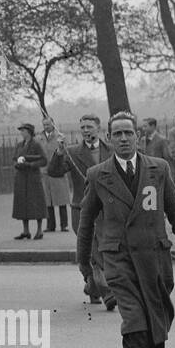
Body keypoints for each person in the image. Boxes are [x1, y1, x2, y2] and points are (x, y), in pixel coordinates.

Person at [75, 111, 175, 348]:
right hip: (118, 259)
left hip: (154, 258)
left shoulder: (159, 169)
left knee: (157, 318)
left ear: (138, 137)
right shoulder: (98, 175)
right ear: (108, 138)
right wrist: (84, 263)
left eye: (128, 133)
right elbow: (86, 221)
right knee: (133, 320)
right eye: (116, 134)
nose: (123, 139)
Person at [46, 115, 114, 307]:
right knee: (92, 249)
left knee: (105, 248)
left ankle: (92, 285)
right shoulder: (73, 152)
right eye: (82, 127)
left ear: (98, 128)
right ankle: (107, 292)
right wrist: (59, 153)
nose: (85, 130)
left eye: (89, 127)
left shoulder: (111, 150)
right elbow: (54, 172)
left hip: (106, 210)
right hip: (81, 209)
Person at [11, 123, 47, 240]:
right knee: (22, 203)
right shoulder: (19, 145)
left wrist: (30, 164)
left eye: (23, 130)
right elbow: (15, 158)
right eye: (21, 130)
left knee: (36, 203)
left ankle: (39, 229)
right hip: (21, 177)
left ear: (29, 131)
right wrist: (17, 164)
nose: (21, 133)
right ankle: (25, 230)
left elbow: (43, 160)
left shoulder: (36, 144)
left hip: (32, 177)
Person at [38, 116, 72, 232]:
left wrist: (62, 144)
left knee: (61, 200)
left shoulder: (60, 137)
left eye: (48, 124)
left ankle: (64, 225)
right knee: (48, 201)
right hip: (45, 172)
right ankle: (50, 225)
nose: (46, 127)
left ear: (53, 124)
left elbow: (66, 153)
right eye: (44, 125)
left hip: (57, 172)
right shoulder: (40, 138)